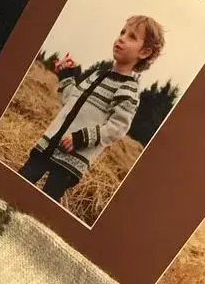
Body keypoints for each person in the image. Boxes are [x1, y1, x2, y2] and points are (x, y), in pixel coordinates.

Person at [19, 15, 165, 201]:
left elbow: (118, 127)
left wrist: (81, 139)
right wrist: (66, 76)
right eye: (122, 32)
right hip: (49, 144)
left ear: (144, 52)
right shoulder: (97, 75)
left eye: (131, 37)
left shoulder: (128, 89)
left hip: (72, 158)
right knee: (21, 181)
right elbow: (70, 101)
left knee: (45, 201)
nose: (121, 38)